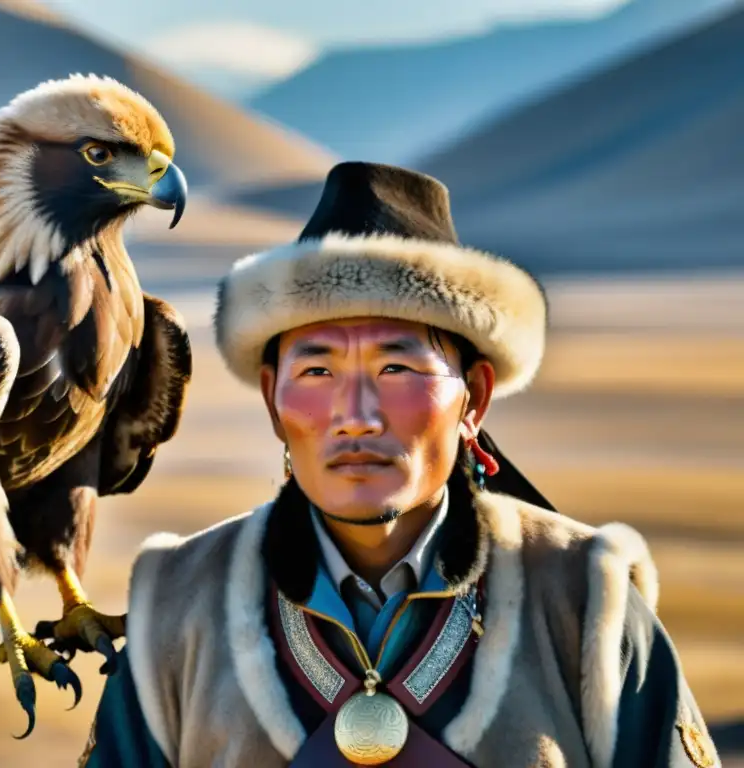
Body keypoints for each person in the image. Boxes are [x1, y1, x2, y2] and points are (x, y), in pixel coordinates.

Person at [78, 162, 720, 767]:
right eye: (317, 370)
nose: (356, 414)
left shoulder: (586, 603)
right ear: (274, 401)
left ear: (477, 398)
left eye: (397, 368)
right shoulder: (180, 610)